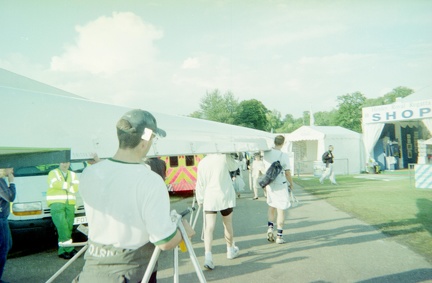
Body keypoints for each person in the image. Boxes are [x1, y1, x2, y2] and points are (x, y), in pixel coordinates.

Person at [74, 109, 195, 283]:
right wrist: (183, 232)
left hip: (91, 274)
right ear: (145, 140)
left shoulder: (89, 173)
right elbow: (164, 241)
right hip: (132, 275)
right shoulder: (149, 180)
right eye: (153, 138)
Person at [195, 153, 240, 270]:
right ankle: (230, 250)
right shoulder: (224, 157)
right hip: (225, 196)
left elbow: (199, 183)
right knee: (227, 224)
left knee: (208, 227)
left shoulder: (202, 162)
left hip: (209, 197)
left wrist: (200, 199)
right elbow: (235, 166)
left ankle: (208, 257)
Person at [262, 135, 293, 244]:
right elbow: (288, 172)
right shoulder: (283, 155)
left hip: (269, 183)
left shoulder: (266, 153)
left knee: (271, 206)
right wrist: (291, 184)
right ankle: (279, 236)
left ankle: (270, 227)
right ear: (283, 143)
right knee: (281, 210)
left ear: (274, 142)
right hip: (280, 183)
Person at [47, 161, 79, 259]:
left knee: (68, 227)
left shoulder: (73, 174)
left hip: (70, 203)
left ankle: (62, 250)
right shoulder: (53, 172)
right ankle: (69, 248)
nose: (65, 165)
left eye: (67, 163)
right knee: (62, 226)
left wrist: (63, 185)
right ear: (59, 163)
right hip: (56, 203)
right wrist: (69, 185)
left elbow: (75, 188)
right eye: (62, 162)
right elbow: (54, 184)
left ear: (69, 164)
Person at [0, 168, 16, 282]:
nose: (12, 170)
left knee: (7, 245)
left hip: (3, 218)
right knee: (3, 248)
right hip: (0, 219)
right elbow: (10, 197)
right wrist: (12, 182)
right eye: (11, 167)